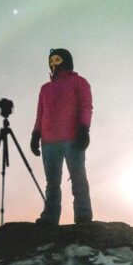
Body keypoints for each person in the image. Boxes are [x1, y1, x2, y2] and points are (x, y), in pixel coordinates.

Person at [29, 47, 92, 225]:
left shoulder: (79, 82)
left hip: (72, 138)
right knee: (52, 183)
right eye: (51, 60)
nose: (53, 63)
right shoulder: (45, 89)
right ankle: (50, 217)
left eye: (57, 59)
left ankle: (83, 216)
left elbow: (86, 106)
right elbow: (40, 113)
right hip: (48, 141)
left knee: (78, 178)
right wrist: (35, 134)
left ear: (66, 60)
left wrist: (84, 128)